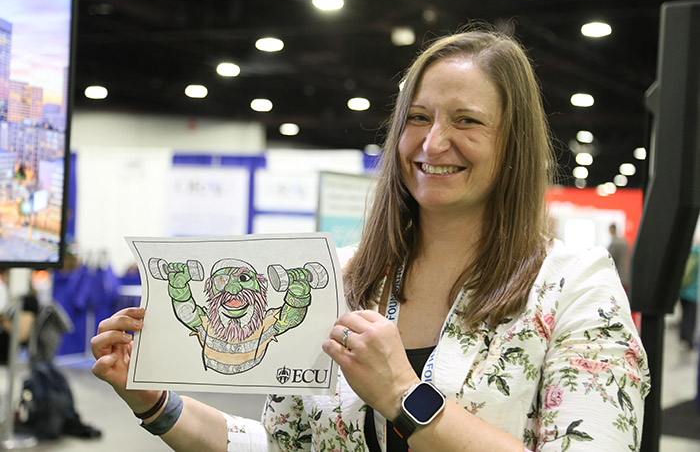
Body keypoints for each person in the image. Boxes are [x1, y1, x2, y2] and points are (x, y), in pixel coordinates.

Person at [91, 25, 650, 451]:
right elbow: (284, 442)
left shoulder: (575, 286)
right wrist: (158, 404)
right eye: (419, 117)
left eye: (467, 121)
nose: (433, 143)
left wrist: (405, 397)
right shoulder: (340, 277)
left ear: (514, 145)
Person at [607, 223, 630, 290]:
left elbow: (609, 260)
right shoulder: (625, 242)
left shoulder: (615, 244)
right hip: (625, 276)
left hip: (617, 277)